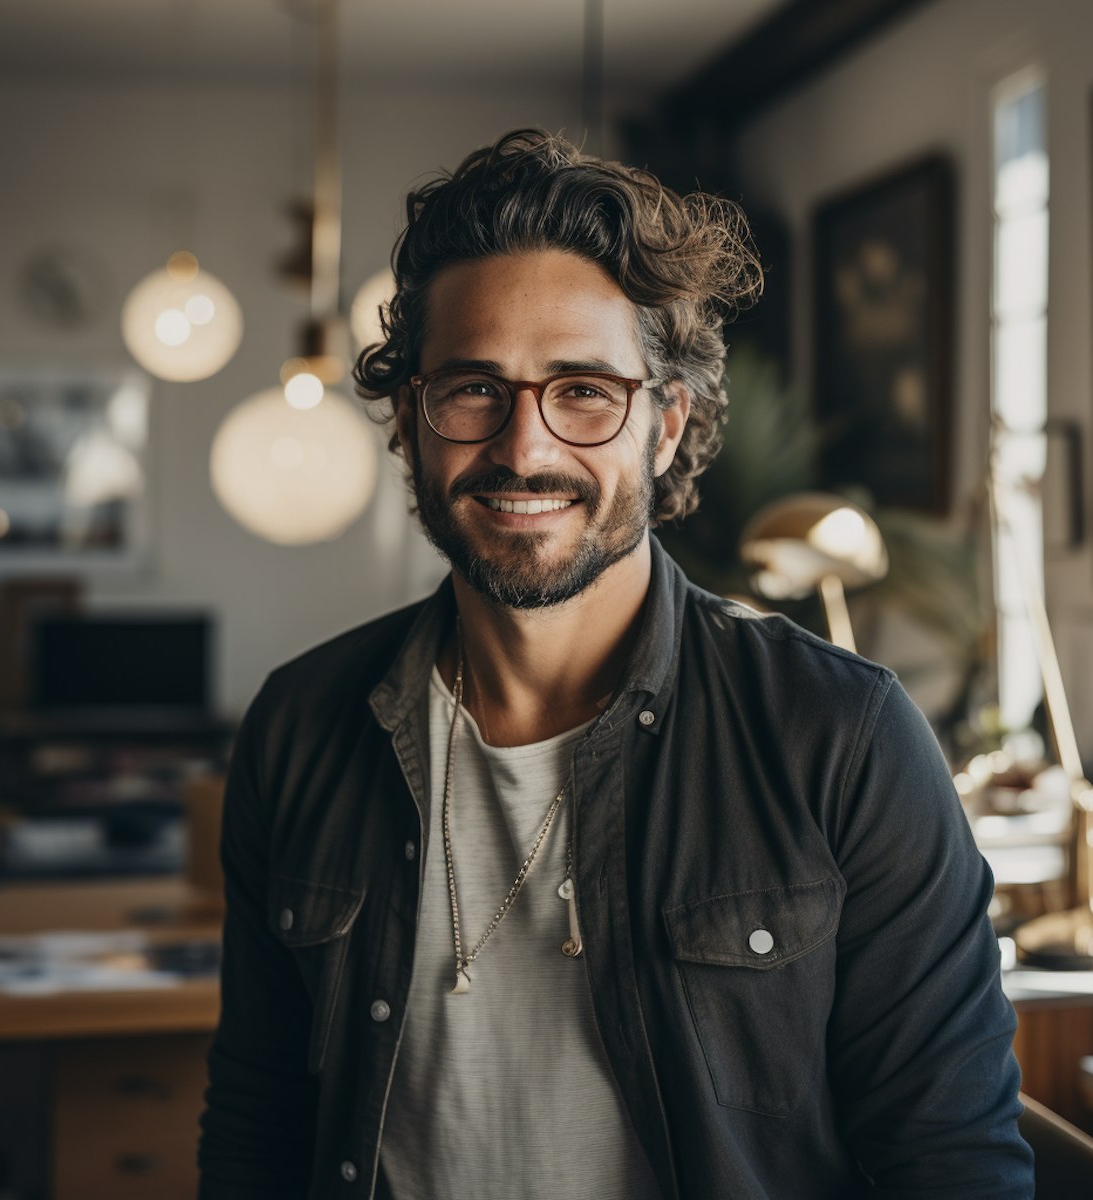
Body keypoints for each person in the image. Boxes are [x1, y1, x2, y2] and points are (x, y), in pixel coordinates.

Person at [198, 129, 1033, 1200]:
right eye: (471, 389)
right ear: (409, 421)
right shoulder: (301, 724)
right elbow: (259, 1122)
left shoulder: (842, 736)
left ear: (667, 423)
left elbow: (951, 1164)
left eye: (584, 390)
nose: (524, 448)